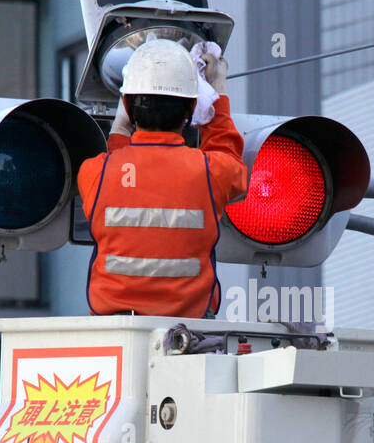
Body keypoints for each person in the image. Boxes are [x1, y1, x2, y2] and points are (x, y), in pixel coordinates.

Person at [76, 38, 248, 317]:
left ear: (129, 106)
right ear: (191, 109)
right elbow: (229, 158)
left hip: (113, 331)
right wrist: (218, 88)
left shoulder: (95, 172)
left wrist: (121, 121)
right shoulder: (210, 172)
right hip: (190, 333)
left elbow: (119, 167)